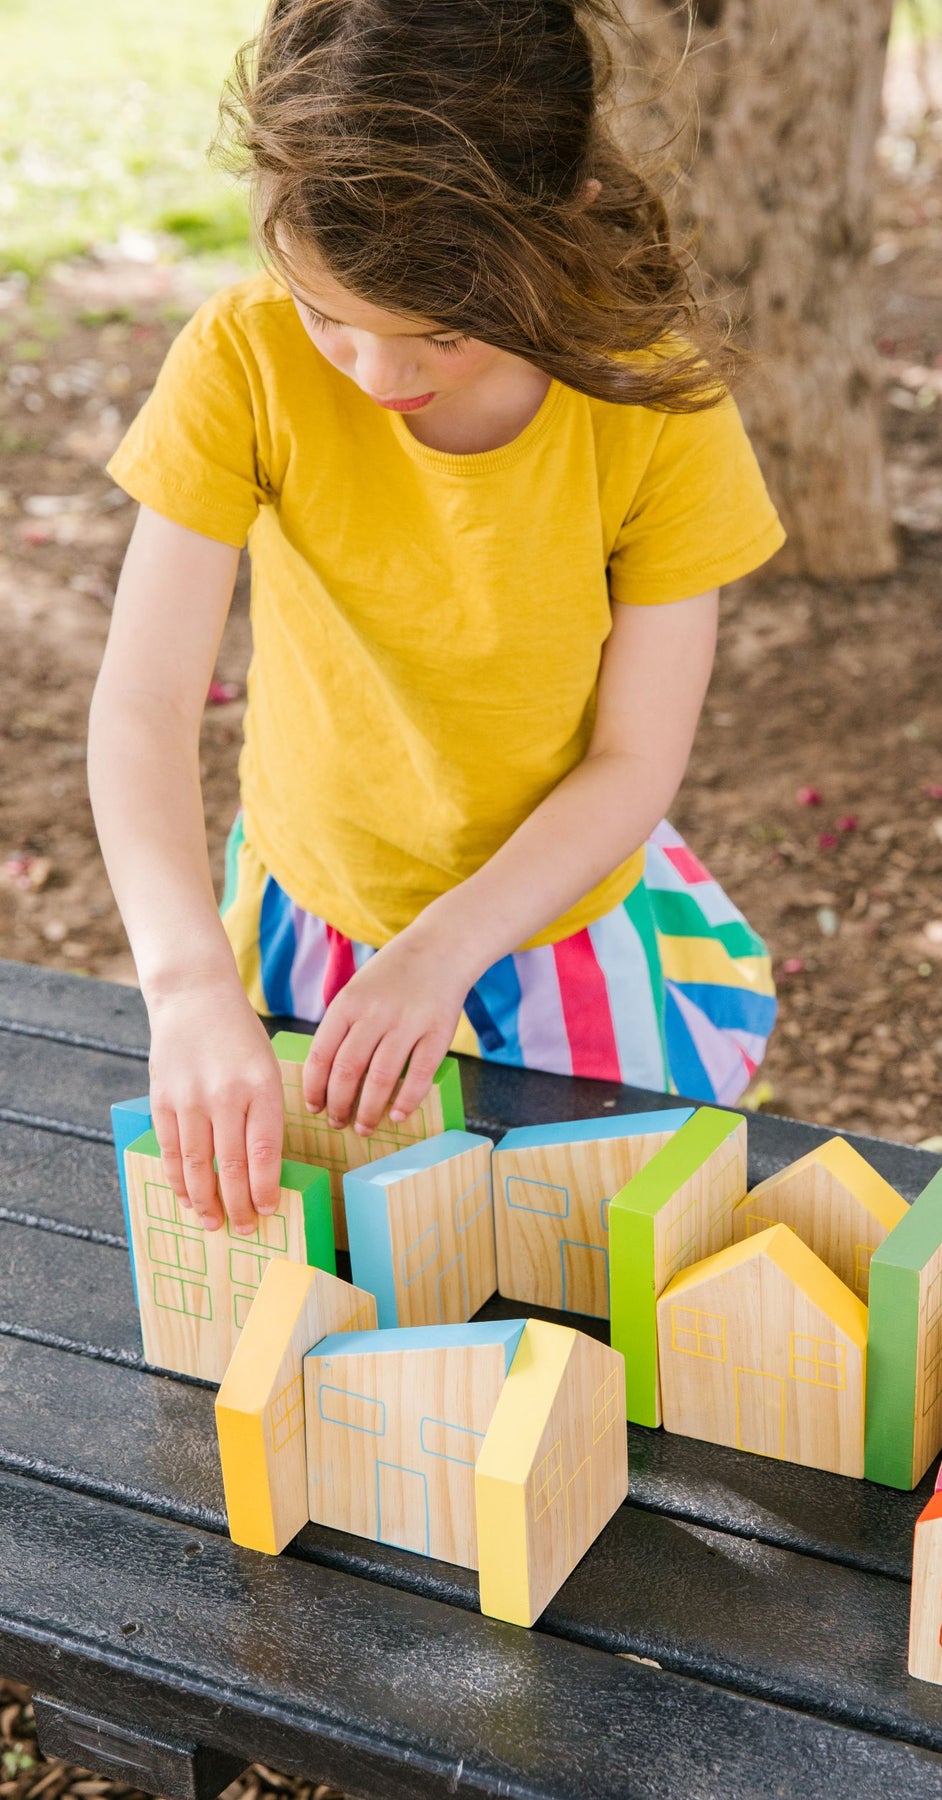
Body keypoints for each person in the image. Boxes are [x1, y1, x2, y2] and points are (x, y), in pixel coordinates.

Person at [88, 0, 785, 1240]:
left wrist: (440, 949)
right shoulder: (243, 361)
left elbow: (635, 759)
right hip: (315, 902)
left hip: (555, 914)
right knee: (346, 1260)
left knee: (582, 1258)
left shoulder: (658, 414)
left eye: (442, 334)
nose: (374, 376)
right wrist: (190, 984)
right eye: (328, 317)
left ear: (554, 225)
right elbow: (142, 705)